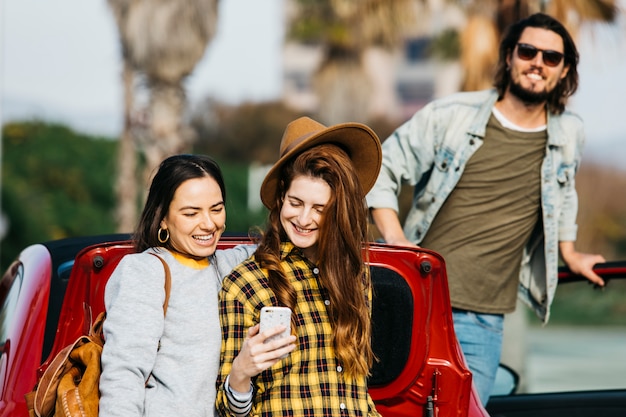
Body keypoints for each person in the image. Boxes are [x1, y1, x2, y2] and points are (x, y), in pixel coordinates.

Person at [366, 13, 606, 405]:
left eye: (551, 57)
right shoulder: (452, 116)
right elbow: (380, 168)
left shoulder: (569, 134)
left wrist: (569, 251)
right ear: (509, 56)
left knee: (463, 413)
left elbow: (564, 196)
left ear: (564, 72)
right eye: (528, 51)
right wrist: (395, 239)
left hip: (484, 321)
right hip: (417, 304)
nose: (538, 63)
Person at [215, 116, 383, 417]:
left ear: (339, 211)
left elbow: (358, 391)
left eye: (319, 209)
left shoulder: (357, 276)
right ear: (280, 198)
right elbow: (228, 412)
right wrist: (241, 372)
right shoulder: (246, 283)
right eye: (295, 203)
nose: (304, 219)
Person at [99, 154, 256, 417]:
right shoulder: (146, 271)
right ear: (162, 218)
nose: (208, 224)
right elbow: (124, 373)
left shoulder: (230, 265)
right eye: (191, 213)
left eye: (216, 209)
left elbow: (288, 242)